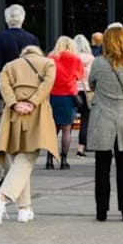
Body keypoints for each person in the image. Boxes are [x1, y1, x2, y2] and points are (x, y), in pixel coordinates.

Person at [0, 45, 58, 224]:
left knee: (18, 159)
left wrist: (14, 103)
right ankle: (3, 196)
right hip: (37, 113)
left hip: (14, 114)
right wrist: (32, 102)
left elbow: (3, 85)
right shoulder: (48, 63)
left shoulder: (10, 66)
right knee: (28, 156)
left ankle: (24, 209)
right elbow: (47, 85)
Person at [87, 23, 123, 222]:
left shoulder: (98, 62)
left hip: (102, 116)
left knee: (101, 166)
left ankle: (101, 210)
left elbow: (91, 84)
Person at [0, 5, 39, 104]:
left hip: (5, 91)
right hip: (27, 90)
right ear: (23, 18)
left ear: (7, 19)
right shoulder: (32, 39)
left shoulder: (0, 38)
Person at [47, 36, 84, 170]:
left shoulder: (51, 58)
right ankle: (64, 160)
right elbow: (79, 76)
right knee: (66, 129)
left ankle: (49, 159)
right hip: (69, 96)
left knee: (53, 129)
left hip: (53, 95)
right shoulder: (76, 59)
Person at [73, 34, 95, 157]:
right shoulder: (91, 58)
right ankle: (81, 148)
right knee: (85, 120)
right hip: (87, 91)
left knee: (67, 123)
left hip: (73, 91)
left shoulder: (72, 57)